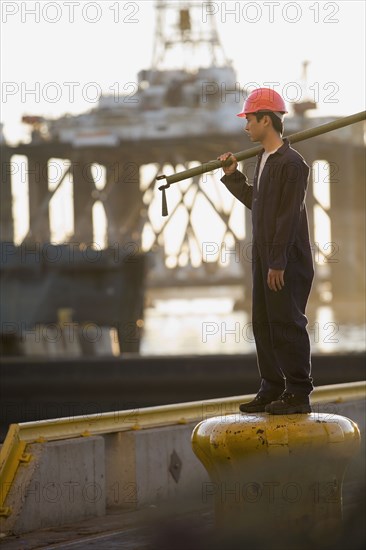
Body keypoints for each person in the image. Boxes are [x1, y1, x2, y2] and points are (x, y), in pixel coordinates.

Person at [218, 87, 314, 414]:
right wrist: (232, 178)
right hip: (266, 258)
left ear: (266, 120)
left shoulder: (293, 164)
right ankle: (272, 387)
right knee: (263, 322)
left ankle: (298, 393)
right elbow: (256, 204)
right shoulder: (263, 160)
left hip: (286, 259)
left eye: (249, 119)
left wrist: (277, 262)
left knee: (287, 323)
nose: (245, 126)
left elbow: (288, 217)